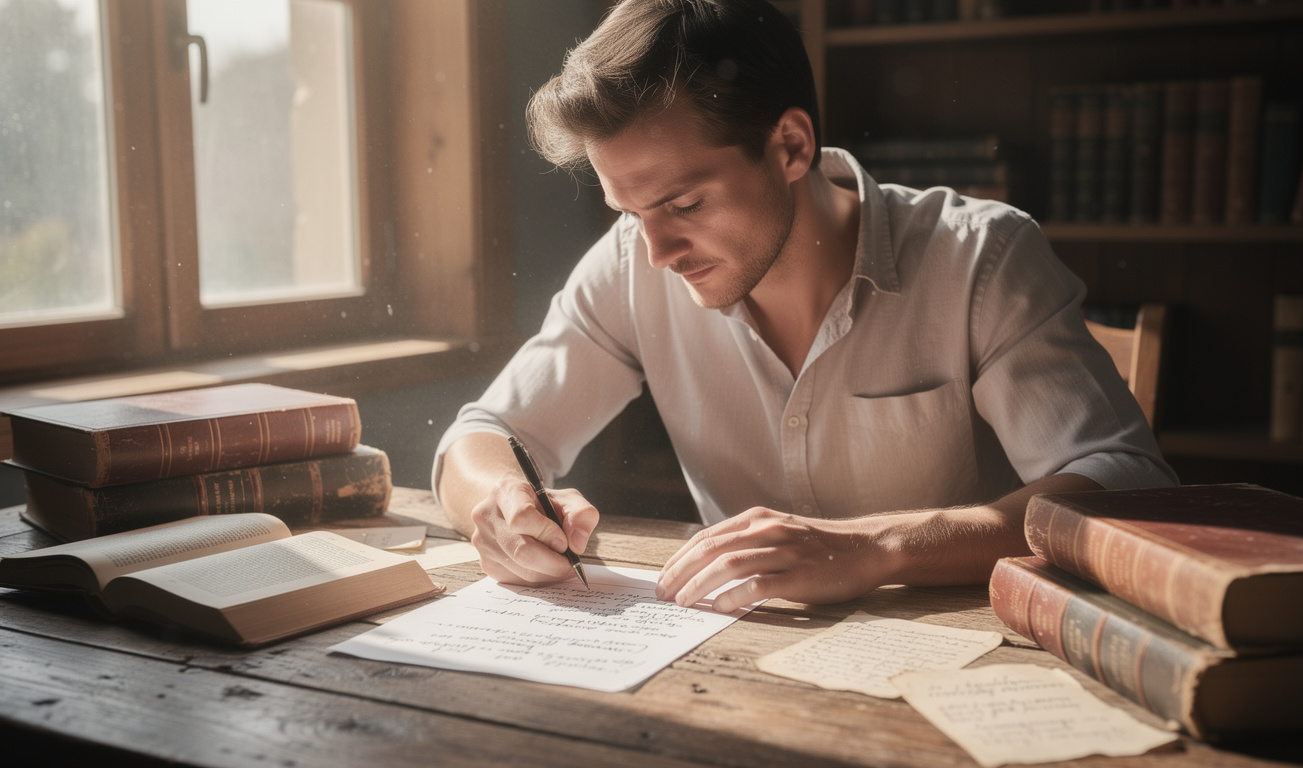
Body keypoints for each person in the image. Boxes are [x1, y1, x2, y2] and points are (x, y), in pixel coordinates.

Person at [433, 0, 1176, 614]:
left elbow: (1128, 484)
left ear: (790, 146)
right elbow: (484, 434)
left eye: (684, 203)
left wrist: (876, 546)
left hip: (970, 660)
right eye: (628, 212)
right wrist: (498, 502)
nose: (656, 251)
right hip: (736, 666)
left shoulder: (982, 259)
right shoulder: (632, 265)